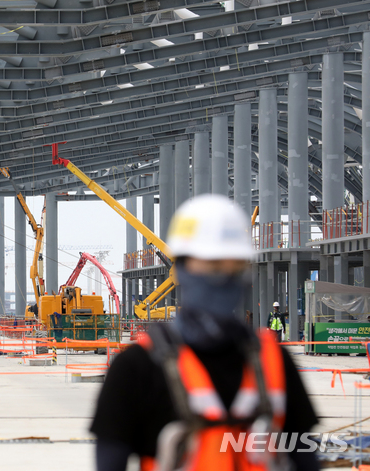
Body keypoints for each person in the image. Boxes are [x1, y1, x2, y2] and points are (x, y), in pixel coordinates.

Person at [91, 194, 318, 471]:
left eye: (234, 267)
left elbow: (305, 458)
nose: (223, 277)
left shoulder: (276, 363)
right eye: (211, 266)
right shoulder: (136, 368)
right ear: (182, 270)